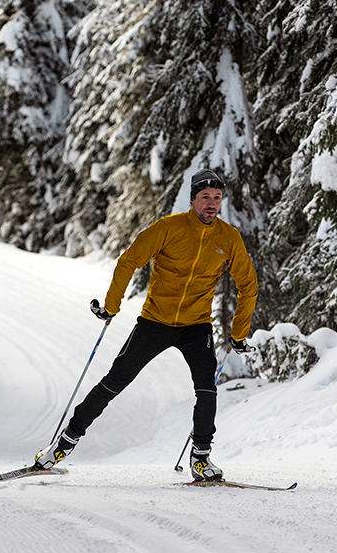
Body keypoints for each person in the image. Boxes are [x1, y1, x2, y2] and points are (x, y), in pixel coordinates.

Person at [33, 169, 258, 481]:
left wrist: (238, 334)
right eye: (205, 197)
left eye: (217, 198)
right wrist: (111, 306)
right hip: (155, 322)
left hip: (197, 326)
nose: (211, 203)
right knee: (114, 383)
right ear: (192, 199)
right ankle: (60, 447)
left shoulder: (228, 238)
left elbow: (249, 285)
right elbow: (129, 261)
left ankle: (201, 459)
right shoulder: (168, 228)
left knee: (207, 390)